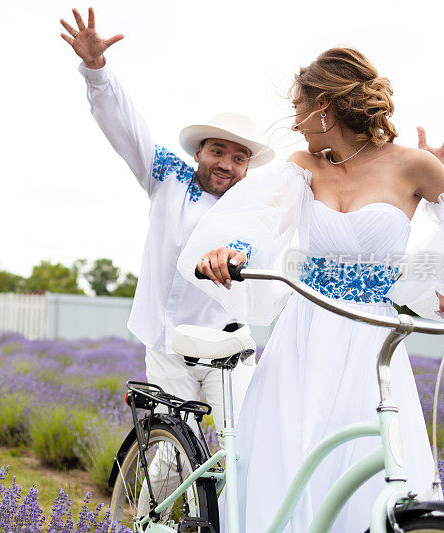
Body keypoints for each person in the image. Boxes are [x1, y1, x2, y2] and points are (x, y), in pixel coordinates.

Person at [182, 47, 444, 532]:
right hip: (303, 335)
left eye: (298, 108)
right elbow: (264, 221)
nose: (294, 123)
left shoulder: (414, 166)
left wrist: (438, 288)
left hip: (373, 337)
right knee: (289, 458)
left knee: (376, 458)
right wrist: (233, 252)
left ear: (324, 109)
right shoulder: (304, 165)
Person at [60, 7, 270, 428]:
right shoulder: (168, 178)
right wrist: (96, 69)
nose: (227, 164)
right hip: (165, 342)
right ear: (198, 153)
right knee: (169, 461)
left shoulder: (253, 207)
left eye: (239, 157)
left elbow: (250, 248)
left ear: (248, 167)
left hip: (225, 346)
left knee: (247, 446)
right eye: (217, 152)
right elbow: (126, 127)